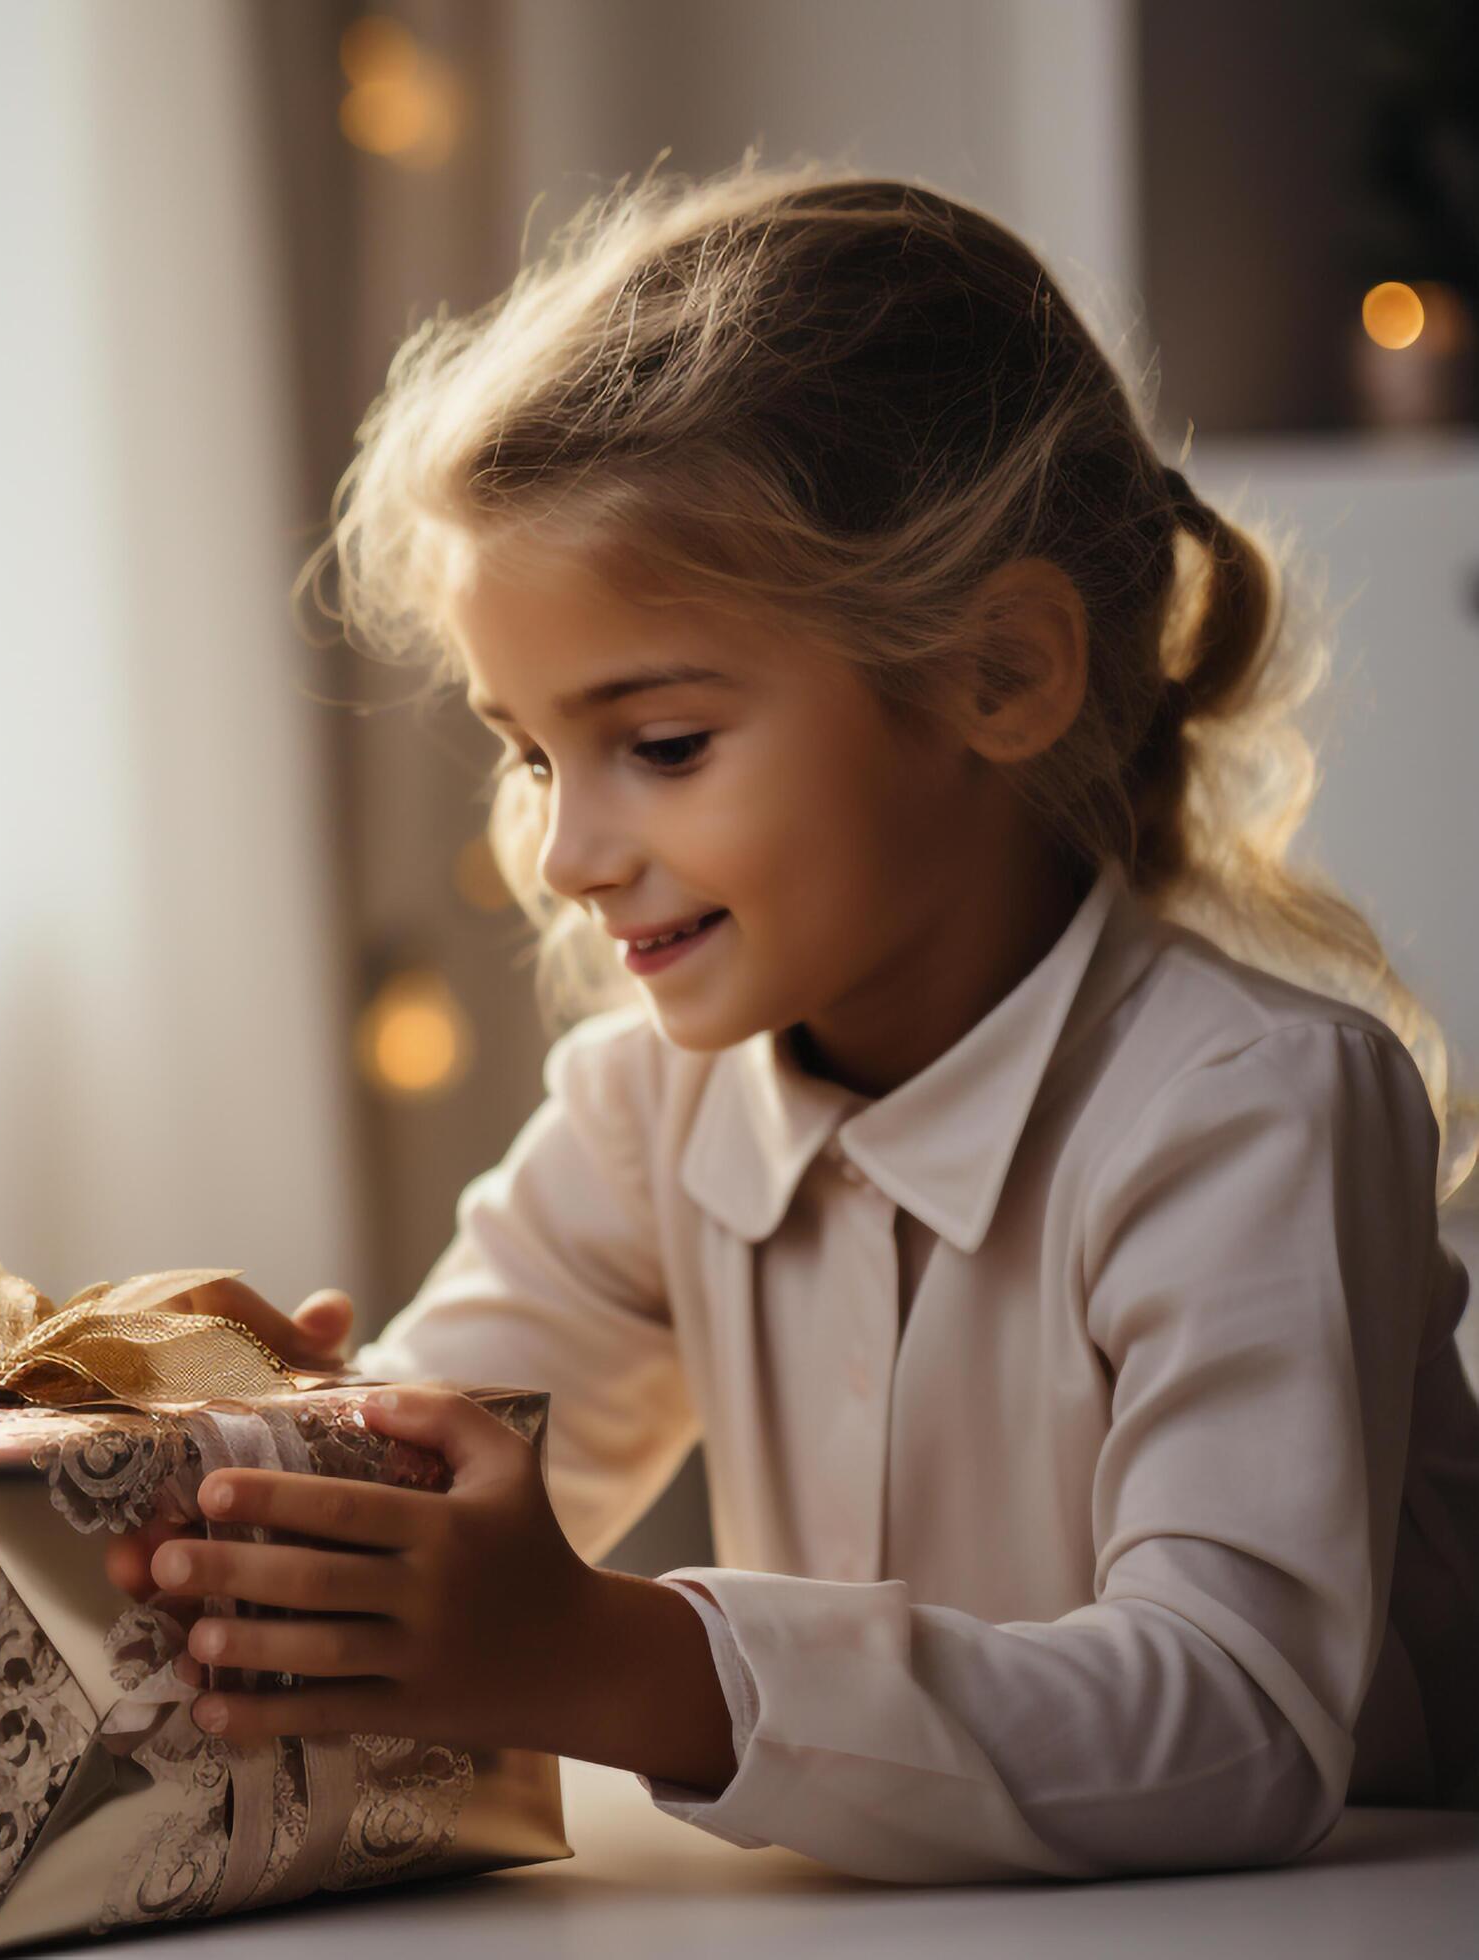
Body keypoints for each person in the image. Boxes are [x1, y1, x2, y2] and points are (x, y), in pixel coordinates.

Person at [141, 166, 1479, 1880]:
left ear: (999, 673)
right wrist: (243, 1456)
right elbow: (447, 1481)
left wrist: (617, 1658)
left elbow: (1234, 1717)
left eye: (664, 744)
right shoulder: (648, 1108)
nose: (562, 852)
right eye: (534, 753)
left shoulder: (1247, 1109)